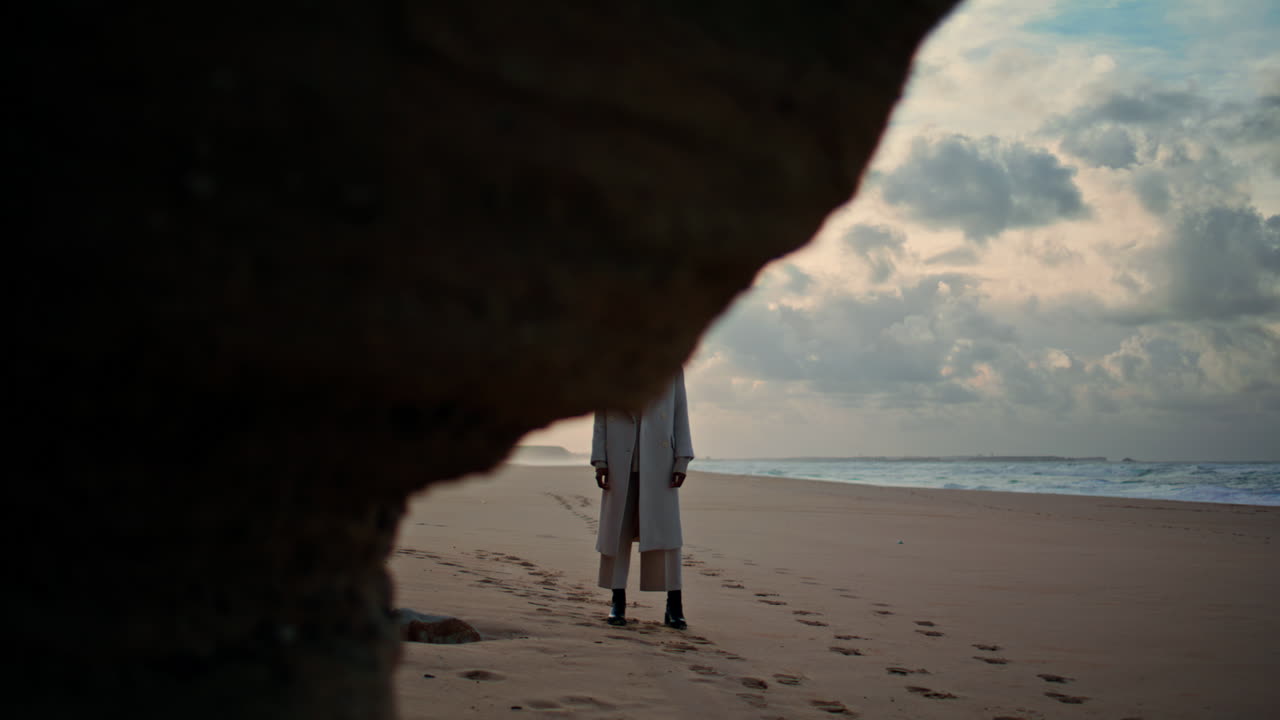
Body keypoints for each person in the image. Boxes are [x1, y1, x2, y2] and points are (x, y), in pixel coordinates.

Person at [591, 370, 694, 629]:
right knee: (617, 533)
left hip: (660, 464)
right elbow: (601, 416)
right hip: (618, 460)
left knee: (667, 534)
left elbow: (680, 411)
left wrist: (682, 459)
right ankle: (618, 601)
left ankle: (674, 605)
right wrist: (599, 460)